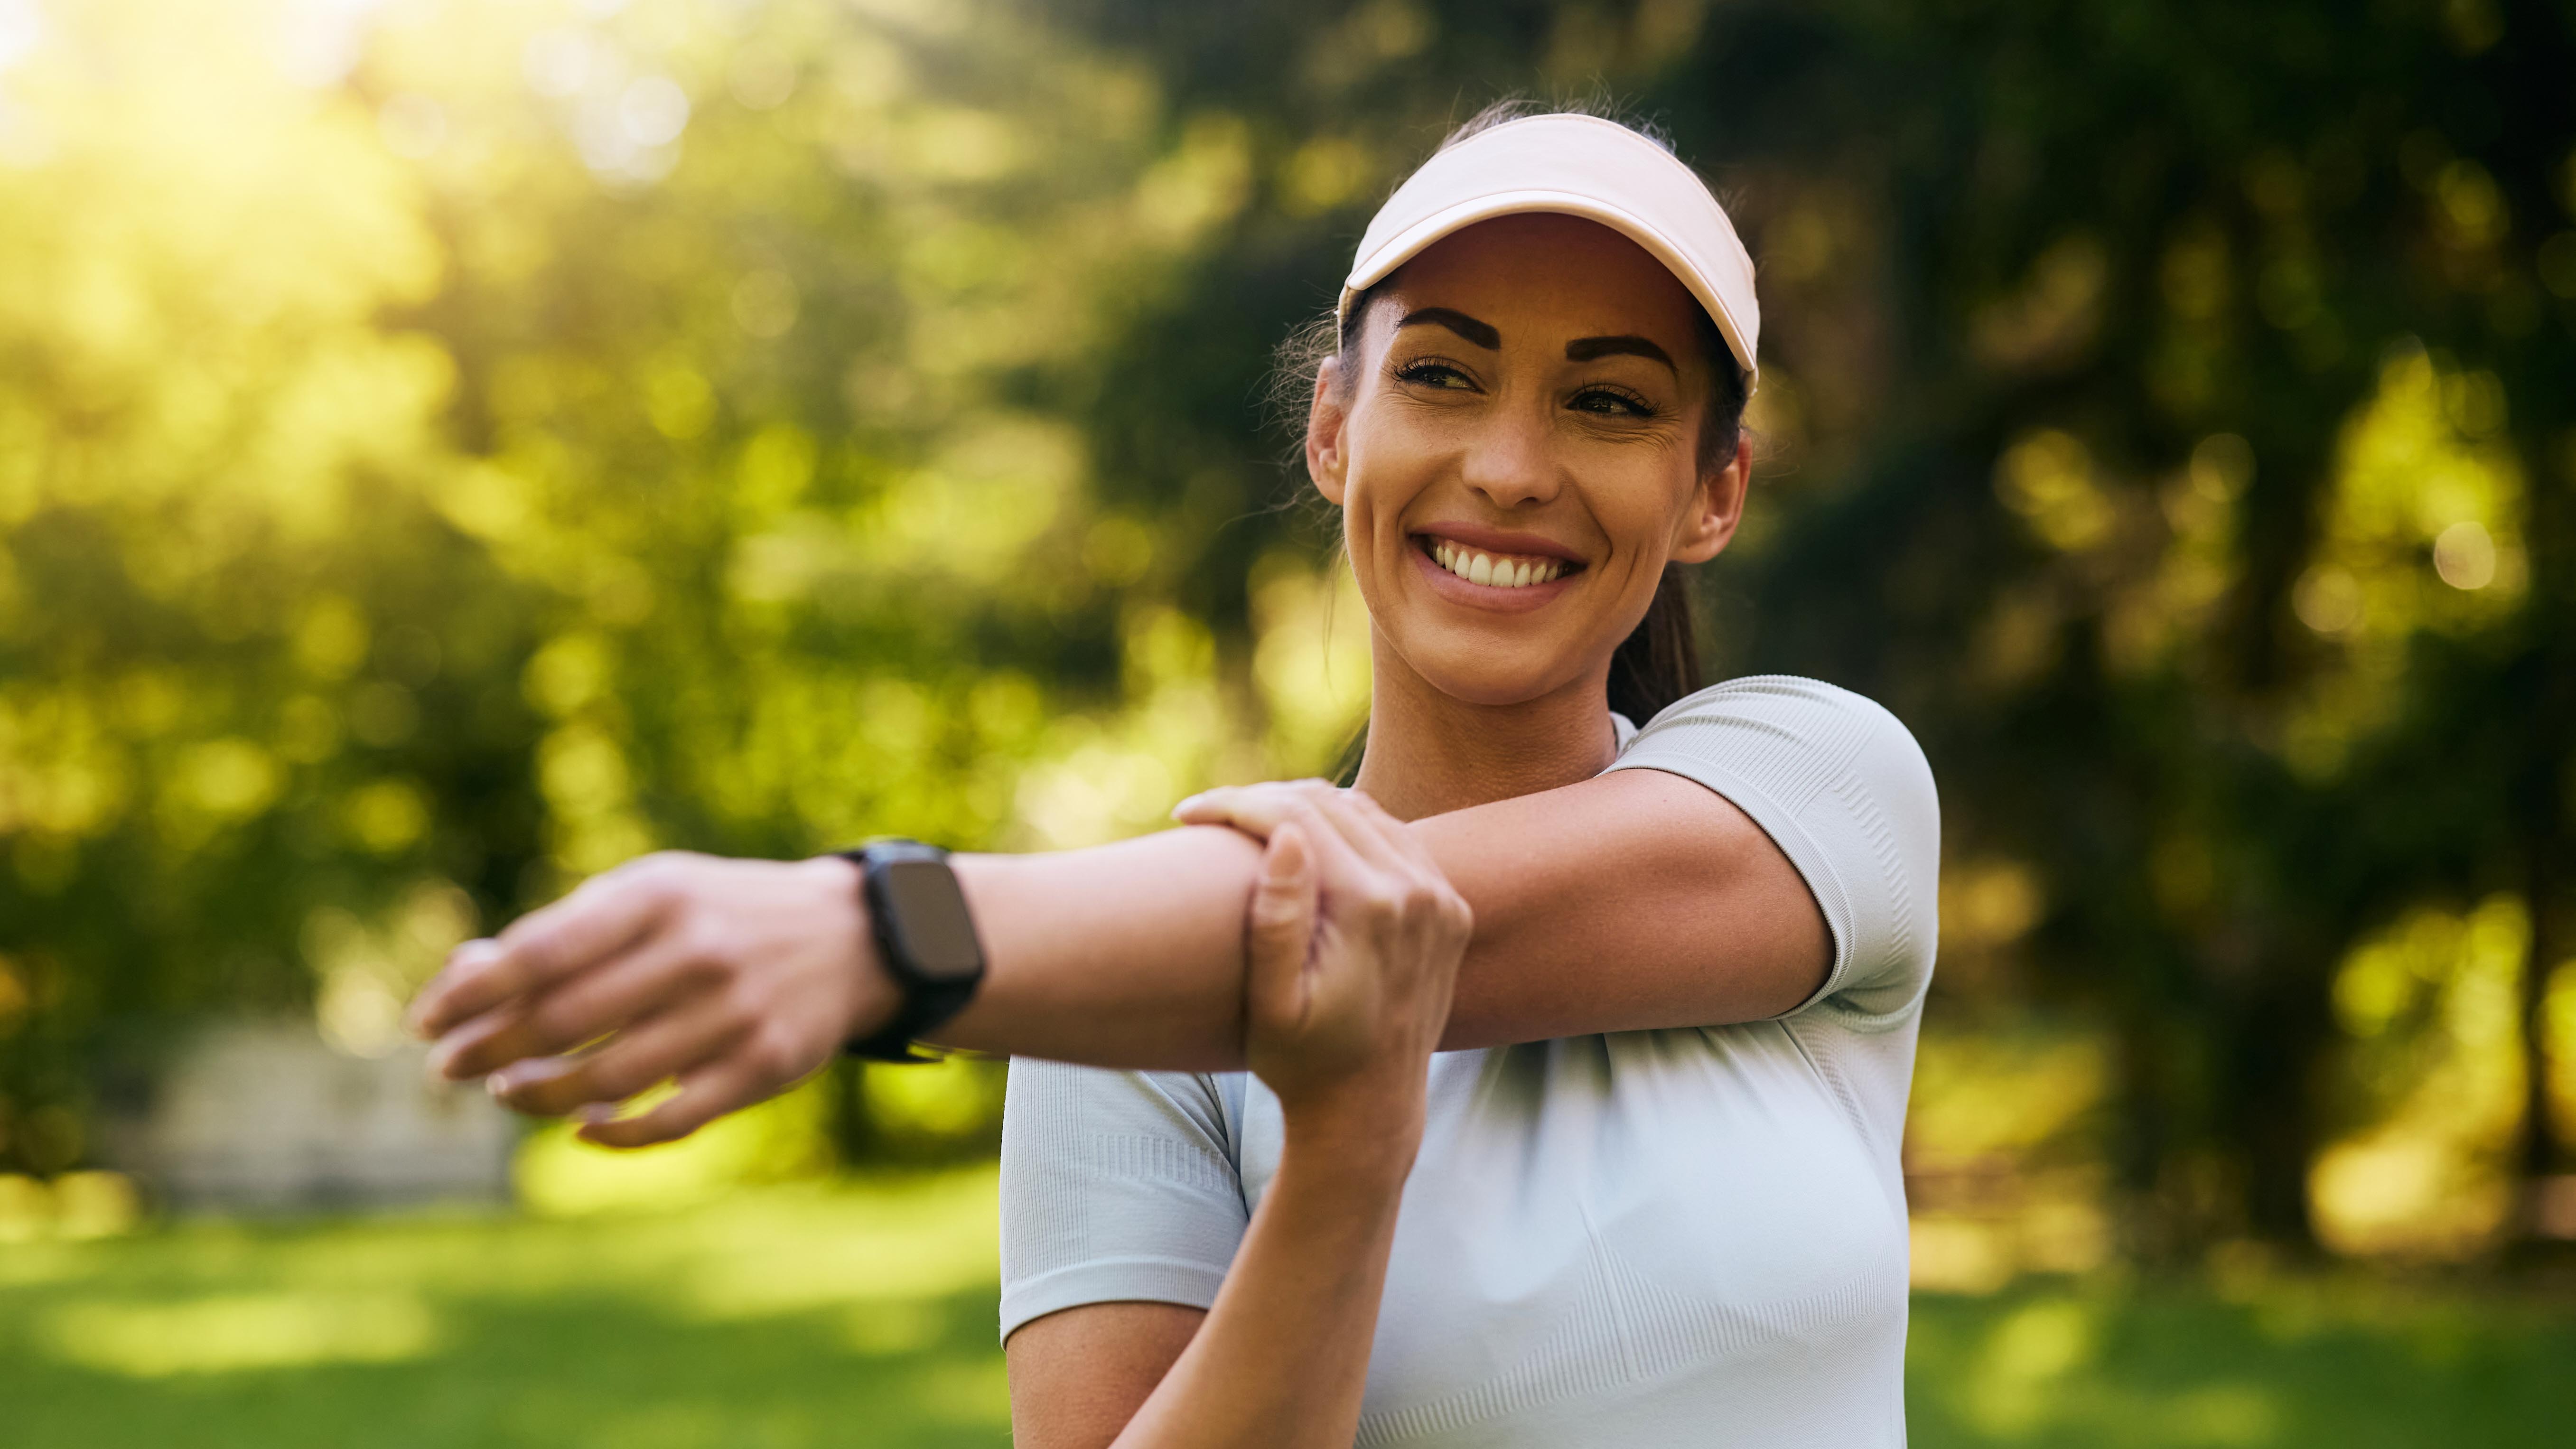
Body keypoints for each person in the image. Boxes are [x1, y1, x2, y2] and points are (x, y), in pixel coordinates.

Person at [406, 103, 1938, 1448]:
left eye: (1608, 401)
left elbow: (1394, 921)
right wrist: (1343, 1159)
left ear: (1712, 493)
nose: (1512, 468)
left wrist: (877, 935)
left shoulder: (1822, 787)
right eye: (1444, 378)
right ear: (1337, 429)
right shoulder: (1114, 1022)